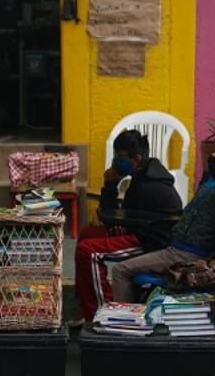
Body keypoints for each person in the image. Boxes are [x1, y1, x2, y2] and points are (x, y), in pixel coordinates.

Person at [104, 136, 215, 302]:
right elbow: (205, 188)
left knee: (120, 270)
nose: (213, 154)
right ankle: (139, 312)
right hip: (176, 249)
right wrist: (210, 169)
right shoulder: (214, 183)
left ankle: (126, 323)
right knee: (133, 264)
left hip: (185, 255)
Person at [73, 129, 183, 320]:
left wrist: (109, 184)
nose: (116, 161)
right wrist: (121, 225)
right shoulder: (145, 174)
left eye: (121, 156)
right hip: (141, 230)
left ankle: (100, 310)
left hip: (151, 242)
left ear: (137, 159)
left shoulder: (149, 185)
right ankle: (86, 302)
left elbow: (108, 216)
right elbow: (119, 217)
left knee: (88, 251)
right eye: (116, 155)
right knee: (87, 234)